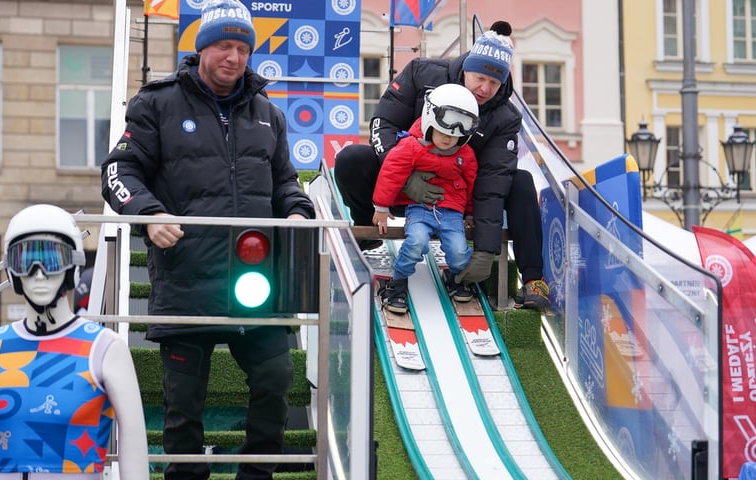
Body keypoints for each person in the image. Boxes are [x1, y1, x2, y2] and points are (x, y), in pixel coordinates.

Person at [100, 0, 316, 478]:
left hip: (255, 284)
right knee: (182, 407)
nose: (234, 57)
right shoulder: (155, 103)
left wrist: (299, 212)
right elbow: (119, 170)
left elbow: (285, 182)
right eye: (223, 45)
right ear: (201, 49)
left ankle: (256, 473)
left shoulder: (268, 114)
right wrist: (147, 214)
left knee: (277, 378)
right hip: (186, 279)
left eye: (242, 48)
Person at [334, 20, 550, 311]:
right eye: (478, 78)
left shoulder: (505, 117)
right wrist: (405, 176)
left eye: (494, 83)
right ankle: (367, 227)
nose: (484, 89)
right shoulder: (421, 73)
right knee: (351, 159)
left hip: (455, 199)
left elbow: (492, 180)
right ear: (465, 70)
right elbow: (382, 123)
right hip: (401, 188)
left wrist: (485, 250)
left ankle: (533, 279)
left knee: (520, 181)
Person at [0, 204, 148, 479]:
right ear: (12, 269)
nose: (39, 273)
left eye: (52, 258)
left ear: (73, 263)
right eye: (26, 259)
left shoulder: (105, 348)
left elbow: (134, 451)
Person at [373, 84, 479, 314]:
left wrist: (470, 212)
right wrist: (382, 206)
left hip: (451, 212)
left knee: (460, 253)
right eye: (442, 132)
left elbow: (472, 185)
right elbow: (392, 171)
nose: (447, 139)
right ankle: (398, 282)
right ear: (430, 122)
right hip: (420, 209)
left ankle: (455, 276)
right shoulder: (412, 146)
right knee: (416, 243)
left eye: (454, 136)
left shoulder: (465, 155)